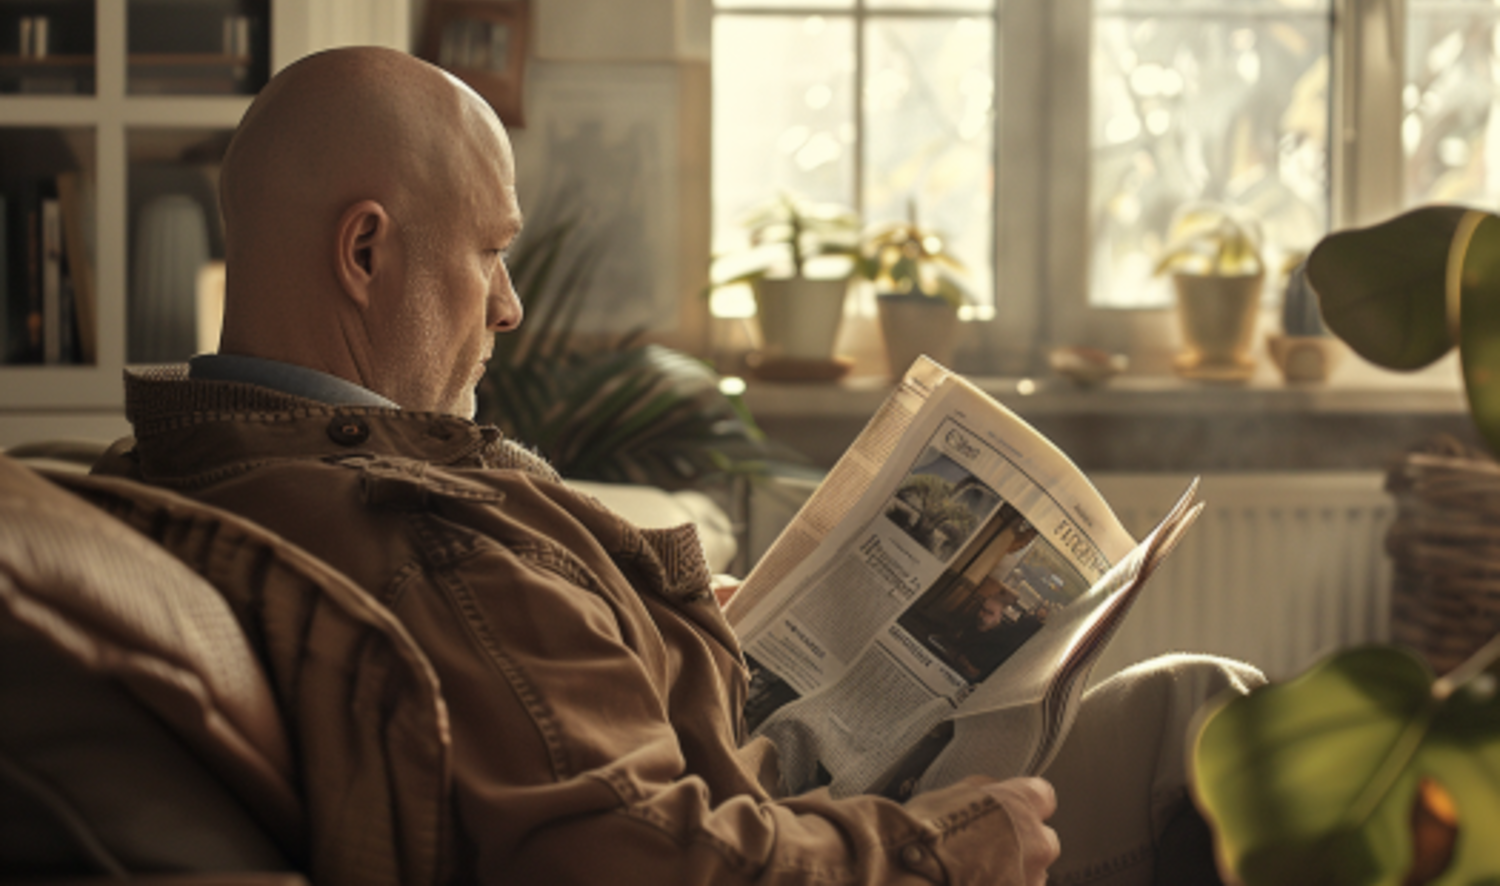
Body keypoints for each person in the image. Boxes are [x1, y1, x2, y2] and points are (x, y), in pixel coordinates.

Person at [94, 46, 1260, 886]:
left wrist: (680, 619)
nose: (507, 306)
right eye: (490, 254)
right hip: (817, 830)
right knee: (1209, 712)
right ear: (365, 251)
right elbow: (643, 854)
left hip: (771, 775)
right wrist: (940, 850)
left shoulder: (179, 466)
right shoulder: (408, 530)